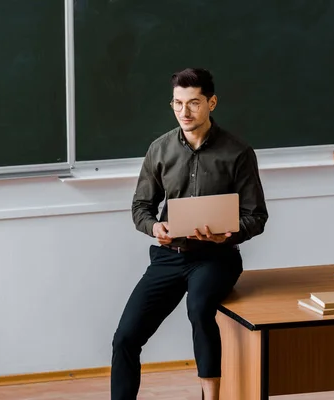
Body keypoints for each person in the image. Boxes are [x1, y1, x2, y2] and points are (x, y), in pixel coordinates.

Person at [110, 68, 268, 400]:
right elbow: (141, 205)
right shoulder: (160, 149)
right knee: (125, 337)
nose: (185, 112)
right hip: (170, 257)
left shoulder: (237, 152)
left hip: (216, 259)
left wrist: (227, 235)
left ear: (211, 103)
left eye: (194, 103)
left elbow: (256, 216)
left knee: (199, 309)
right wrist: (155, 227)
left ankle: (210, 397)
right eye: (178, 103)